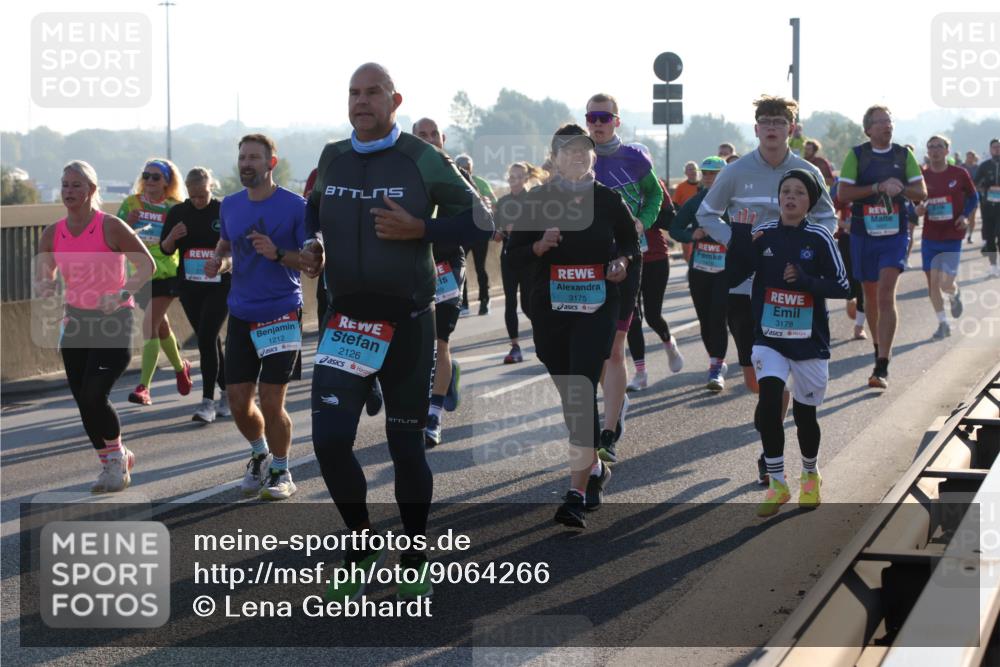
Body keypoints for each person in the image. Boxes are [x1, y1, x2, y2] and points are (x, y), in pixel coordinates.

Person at [307, 63, 492, 601]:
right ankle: (361, 543)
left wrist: (423, 229)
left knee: (404, 446)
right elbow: (310, 212)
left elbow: (481, 218)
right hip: (345, 323)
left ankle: (414, 551)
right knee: (329, 441)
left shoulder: (420, 158)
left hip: (409, 323)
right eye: (354, 93)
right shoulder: (331, 156)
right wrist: (313, 243)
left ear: (395, 100)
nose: (361, 102)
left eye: (373, 93)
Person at [697, 95, 837, 484]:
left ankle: (768, 455)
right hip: (746, 288)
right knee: (758, 382)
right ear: (756, 128)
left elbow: (827, 215)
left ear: (791, 129)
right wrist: (736, 242)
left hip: (793, 291)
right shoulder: (736, 171)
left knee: (776, 381)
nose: (772, 127)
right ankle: (772, 439)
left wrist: (806, 247)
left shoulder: (806, 170)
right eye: (765, 121)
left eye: (779, 121)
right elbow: (706, 213)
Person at [507, 123, 640, 528]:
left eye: (584, 152)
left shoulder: (608, 200)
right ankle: (595, 469)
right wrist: (537, 246)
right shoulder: (537, 200)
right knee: (570, 396)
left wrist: (622, 263)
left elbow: (631, 243)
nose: (578, 157)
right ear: (555, 158)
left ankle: (575, 494)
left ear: (592, 158)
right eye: (569, 152)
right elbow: (511, 257)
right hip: (549, 310)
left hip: (597, 306)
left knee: (581, 391)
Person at [727, 168, 850, 517]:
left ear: (809, 202)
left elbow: (843, 287)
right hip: (769, 337)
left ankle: (810, 474)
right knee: (769, 402)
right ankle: (777, 482)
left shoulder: (820, 238)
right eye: (786, 192)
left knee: (805, 414)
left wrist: (806, 280)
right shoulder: (762, 236)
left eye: (798, 192)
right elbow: (733, 276)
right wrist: (739, 237)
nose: (791, 197)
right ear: (778, 198)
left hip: (809, 341)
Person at [35, 161, 155, 492]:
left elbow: (146, 264)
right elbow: (46, 274)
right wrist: (45, 285)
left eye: (76, 185)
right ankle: (109, 463)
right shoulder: (52, 233)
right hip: (75, 321)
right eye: (65, 185)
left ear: (91, 190)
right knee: (82, 400)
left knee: (94, 393)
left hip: (114, 320)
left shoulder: (111, 227)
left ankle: (118, 459)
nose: (69, 192)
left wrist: (121, 294)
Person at [205, 133, 310, 501]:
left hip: (280, 312)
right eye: (242, 158)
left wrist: (279, 254)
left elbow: (313, 263)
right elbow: (227, 245)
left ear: (271, 163)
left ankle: (282, 470)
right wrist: (220, 261)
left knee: (271, 400)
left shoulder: (296, 207)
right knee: (236, 400)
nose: (246, 163)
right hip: (241, 313)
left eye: (254, 157)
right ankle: (260, 455)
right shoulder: (230, 205)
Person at [586, 92, 680, 462]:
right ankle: (615, 399)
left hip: (629, 257)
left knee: (615, 344)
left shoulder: (635, 157)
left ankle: (608, 432)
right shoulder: (579, 154)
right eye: (592, 116)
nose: (597, 123)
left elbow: (657, 197)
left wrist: (642, 222)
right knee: (590, 349)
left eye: (604, 117)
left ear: (616, 121)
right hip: (589, 261)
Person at [836, 105, 927, 388]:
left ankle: (883, 363)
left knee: (887, 292)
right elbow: (843, 193)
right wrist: (877, 187)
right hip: (864, 234)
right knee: (871, 295)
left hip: (895, 233)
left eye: (890, 121)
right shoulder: (857, 155)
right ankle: (878, 348)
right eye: (881, 122)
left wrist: (899, 188)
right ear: (868, 129)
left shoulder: (903, 154)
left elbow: (921, 193)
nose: (887, 126)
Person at [412, 117, 468, 447]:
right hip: (412, 267)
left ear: (443, 139)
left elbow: (476, 217)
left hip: (447, 264)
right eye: (422, 135)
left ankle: (433, 414)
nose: (430, 139)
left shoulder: (454, 175)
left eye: (435, 134)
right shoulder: (402, 175)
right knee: (414, 344)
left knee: (439, 341)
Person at [118, 158, 192, 406]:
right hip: (139, 274)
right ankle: (181, 367)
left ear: (167, 182)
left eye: (155, 177)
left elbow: (187, 241)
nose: (149, 181)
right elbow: (115, 238)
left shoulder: (175, 207)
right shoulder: (131, 203)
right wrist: (129, 221)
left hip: (166, 273)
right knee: (160, 327)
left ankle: (144, 387)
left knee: (149, 324)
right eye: (146, 175)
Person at [160, 167, 231, 423]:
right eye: (193, 196)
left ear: (211, 188)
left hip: (220, 285)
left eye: (203, 195)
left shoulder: (223, 210)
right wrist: (172, 236)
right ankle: (227, 393)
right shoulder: (179, 212)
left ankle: (207, 403)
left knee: (207, 338)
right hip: (190, 288)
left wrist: (221, 264)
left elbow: (235, 250)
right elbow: (166, 249)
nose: (198, 201)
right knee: (208, 339)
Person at [670, 156, 731, 390]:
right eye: (705, 173)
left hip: (725, 270)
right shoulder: (696, 202)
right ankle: (715, 360)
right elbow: (675, 228)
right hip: (700, 268)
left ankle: (716, 367)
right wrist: (690, 235)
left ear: (724, 176)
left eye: (713, 173)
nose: (708, 177)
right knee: (705, 319)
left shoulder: (733, 202)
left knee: (718, 316)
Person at [916, 135, 978, 339]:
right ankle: (943, 323)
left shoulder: (959, 173)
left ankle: (954, 293)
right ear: (927, 151)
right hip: (930, 236)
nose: (934, 150)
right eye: (931, 147)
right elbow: (914, 202)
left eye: (939, 147)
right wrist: (918, 208)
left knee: (945, 283)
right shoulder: (922, 176)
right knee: (933, 283)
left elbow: (973, 196)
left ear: (947, 150)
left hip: (952, 235)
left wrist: (964, 216)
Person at [494, 161, 546, 363]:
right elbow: (497, 234)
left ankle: (545, 333)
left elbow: (541, 227)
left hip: (529, 257)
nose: (512, 180)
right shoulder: (503, 201)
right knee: (510, 301)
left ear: (525, 179)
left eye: (517, 177)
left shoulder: (533, 199)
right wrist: (498, 231)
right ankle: (515, 347)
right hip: (508, 257)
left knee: (528, 303)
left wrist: (520, 229)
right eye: (510, 177)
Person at [456, 154, 497, 316]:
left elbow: (494, 204)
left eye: (467, 167)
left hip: (479, 232)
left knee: (480, 268)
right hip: (462, 233)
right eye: (461, 167)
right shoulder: (454, 183)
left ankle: (484, 302)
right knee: (461, 268)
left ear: (471, 168)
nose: (465, 170)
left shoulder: (481, 182)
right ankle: (463, 303)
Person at [973, 139, 1000, 277]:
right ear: (990, 150)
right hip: (988, 205)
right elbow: (975, 183)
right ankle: (993, 265)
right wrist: (982, 188)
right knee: (989, 237)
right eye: (994, 147)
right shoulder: (984, 166)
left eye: (998, 147)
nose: (997, 150)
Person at [962, 151, 979, 243]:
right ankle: (963, 234)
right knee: (964, 215)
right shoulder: (961, 167)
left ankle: (970, 235)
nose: (969, 158)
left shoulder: (977, 168)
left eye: (971, 156)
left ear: (973, 157)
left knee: (972, 216)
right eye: (968, 156)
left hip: (973, 194)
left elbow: (981, 179)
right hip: (962, 195)